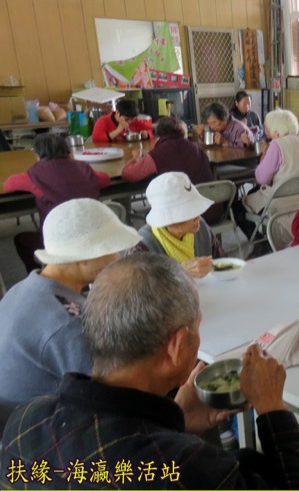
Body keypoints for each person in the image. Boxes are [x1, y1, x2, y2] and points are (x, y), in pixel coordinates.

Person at [1, 253, 299, 489]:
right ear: (177, 346)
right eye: (197, 327)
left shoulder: (25, 420)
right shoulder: (189, 468)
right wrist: (272, 409)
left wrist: (175, 421)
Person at [0, 199, 141, 408]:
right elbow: (114, 393)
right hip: (42, 421)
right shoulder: (69, 324)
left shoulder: (24, 288)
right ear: (84, 256)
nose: (117, 257)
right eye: (112, 249)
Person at [4, 134, 112, 272]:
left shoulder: (34, 174)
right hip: (93, 237)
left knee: (20, 240)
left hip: (58, 242)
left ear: (36, 153)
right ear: (67, 150)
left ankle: (38, 273)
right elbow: (105, 179)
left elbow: (8, 185)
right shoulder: (84, 168)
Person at [235, 109, 299, 242]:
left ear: (277, 132)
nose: (266, 132)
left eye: (267, 129)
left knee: (237, 206)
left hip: (279, 200)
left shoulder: (277, 145)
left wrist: (264, 155)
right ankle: (267, 237)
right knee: (252, 193)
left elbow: (262, 179)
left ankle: (258, 242)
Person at [128, 172, 222, 279]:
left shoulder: (202, 229)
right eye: (189, 212)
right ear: (168, 221)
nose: (198, 217)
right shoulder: (141, 247)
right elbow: (134, 288)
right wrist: (178, 272)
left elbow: (222, 263)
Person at [121, 116, 212, 185]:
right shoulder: (195, 147)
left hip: (179, 201)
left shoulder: (158, 154)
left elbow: (128, 175)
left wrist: (136, 157)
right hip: (206, 199)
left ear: (158, 135)